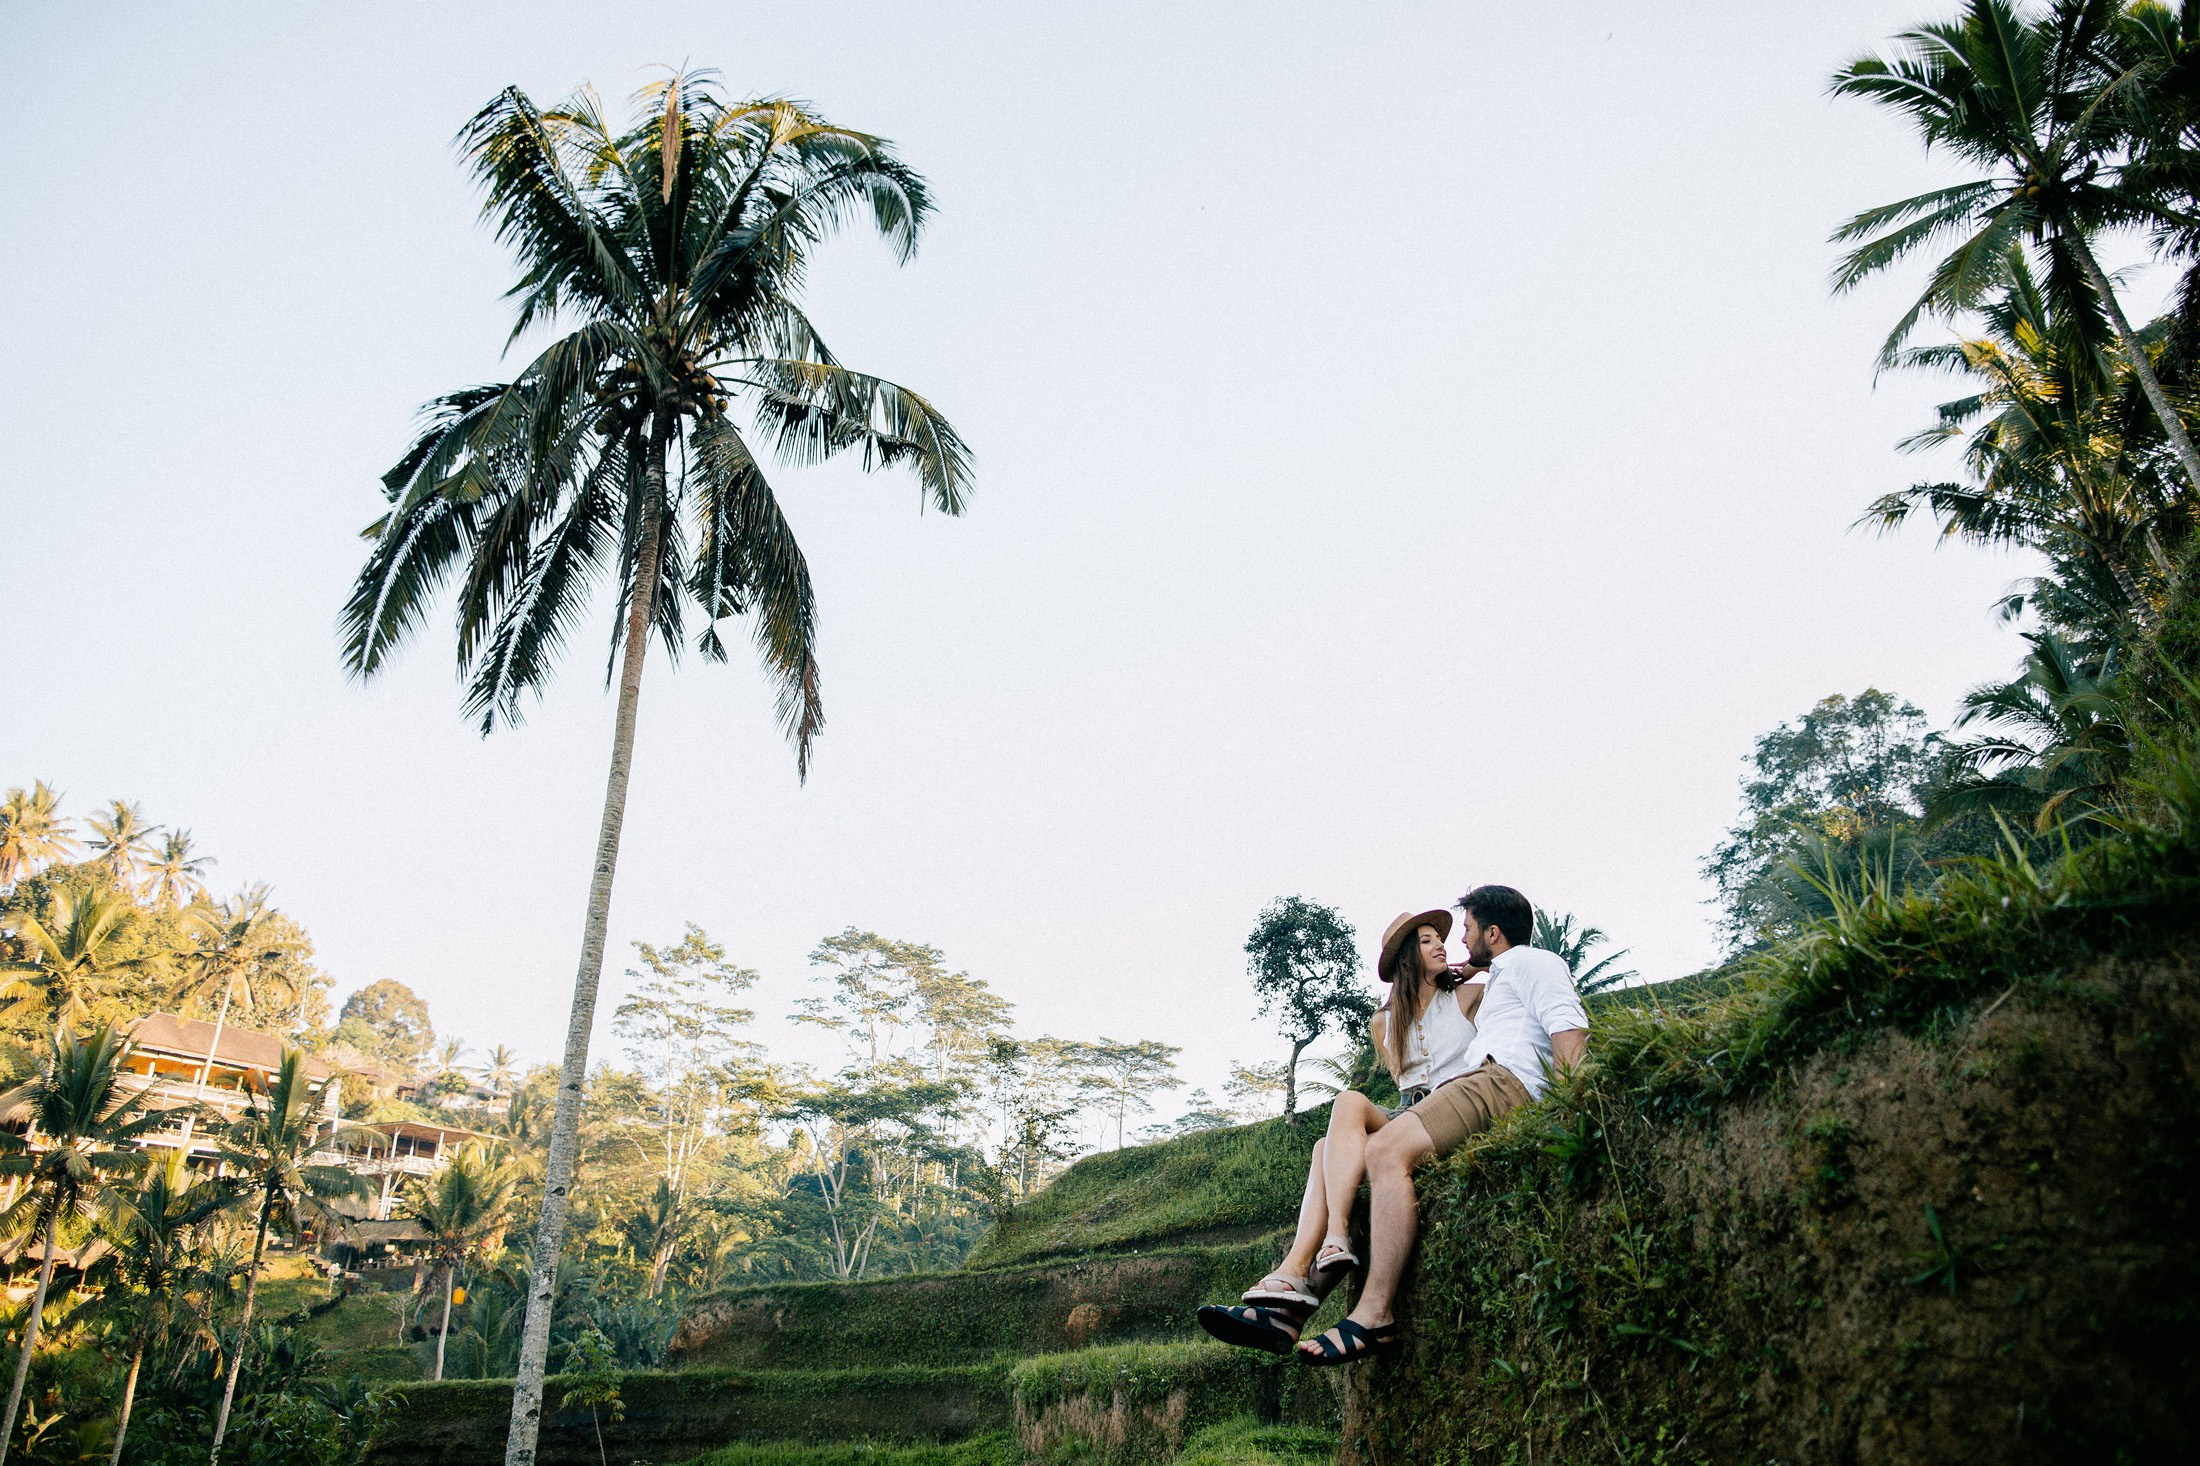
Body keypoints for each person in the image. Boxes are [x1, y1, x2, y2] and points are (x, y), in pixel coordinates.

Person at [1297, 883, 1588, 1366]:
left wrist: (1570, 1108)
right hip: (1486, 1080)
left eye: (1467, 930)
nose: (1458, 942)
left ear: (1492, 933)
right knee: (1336, 1146)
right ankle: (1293, 1290)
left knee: (1386, 1151)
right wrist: (1482, 964)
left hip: (1502, 1080)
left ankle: (1374, 1312)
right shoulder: (1500, 977)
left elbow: (1567, 1026)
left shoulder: (1529, 963)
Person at [1195, 907, 1485, 1356]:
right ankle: (1298, 1277)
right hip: (1408, 1111)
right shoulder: (1384, 1022)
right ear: (1408, 956)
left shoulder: (1470, 997)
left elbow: (1513, 975)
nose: (1441, 945)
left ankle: (1307, 1270)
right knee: (1328, 1139)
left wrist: (1477, 965)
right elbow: (1402, 1082)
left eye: (1440, 939)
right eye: (1427, 940)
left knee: (1332, 1138)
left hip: (1453, 1106)